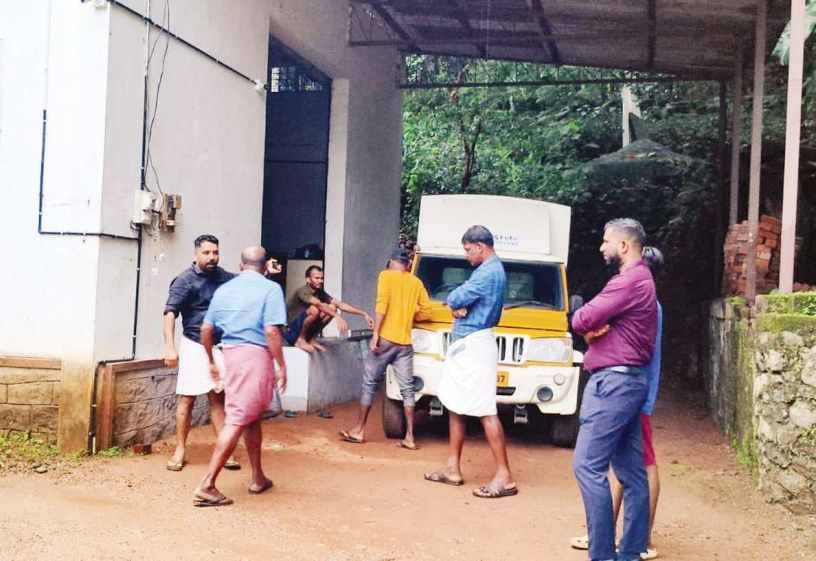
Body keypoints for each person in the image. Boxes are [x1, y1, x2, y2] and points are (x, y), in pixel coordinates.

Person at [570, 246, 664, 560]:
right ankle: (631, 550)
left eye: (606, 240)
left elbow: (583, 318)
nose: (601, 247)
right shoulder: (646, 296)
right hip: (631, 387)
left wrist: (586, 326)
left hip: (618, 387)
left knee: (589, 466)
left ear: (625, 247)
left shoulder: (631, 287)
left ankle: (604, 552)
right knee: (633, 471)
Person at [423, 225, 517, 499]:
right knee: (455, 405)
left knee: (485, 409)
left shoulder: (487, 272)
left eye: (467, 250)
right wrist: (458, 305)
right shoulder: (492, 270)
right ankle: (453, 468)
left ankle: (505, 476)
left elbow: (455, 297)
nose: (466, 256)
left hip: (474, 344)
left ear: (480, 246)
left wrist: (455, 304)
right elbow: (459, 300)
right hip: (471, 344)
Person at [193, 246, 288, 507]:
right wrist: (281, 364)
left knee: (251, 415)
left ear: (240, 264)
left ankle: (258, 477)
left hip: (231, 354)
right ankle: (207, 485)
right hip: (254, 356)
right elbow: (271, 331)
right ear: (265, 265)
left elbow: (206, 329)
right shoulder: (271, 289)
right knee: (237, 418)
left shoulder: (225, 289)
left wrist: (211, 360)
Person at [339, 249, 433, 450]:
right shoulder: (416, 282)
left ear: (391, 262)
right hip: (405, 344)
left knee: (369, 383)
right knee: (408, 389)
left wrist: (376, 335)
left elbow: (382, 306)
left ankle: (359, 431)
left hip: (386, 340)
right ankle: (410, 437)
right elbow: (427, 311)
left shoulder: (386, 276)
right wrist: (411, 312)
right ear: (407, 264)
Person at [162, 234, 239, 472]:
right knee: (187, 399)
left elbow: (246, 283)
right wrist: (170, 347)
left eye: (215, 252)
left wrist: (266, 272)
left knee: (217, 399)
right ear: (196, 254)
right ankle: (180, 449)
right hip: (194, 344)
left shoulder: (224, 277)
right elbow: (170, 314)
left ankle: (225, 451)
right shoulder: (184, 280)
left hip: (218, 345)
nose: (212, 257)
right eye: (206, 253)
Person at [283, 265, 374, 353]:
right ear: (308, 279)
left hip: (303, 329)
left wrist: (364, 314)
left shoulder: (319, 292)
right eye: (317, 278)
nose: (320, 281)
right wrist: (338, 317)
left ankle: (311, 339)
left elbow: (340, 304)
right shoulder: (302, 291)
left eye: (321, 278)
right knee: (315, 310)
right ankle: (300, 340)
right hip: (291, 331)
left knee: (332, 308)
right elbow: (319, 305)